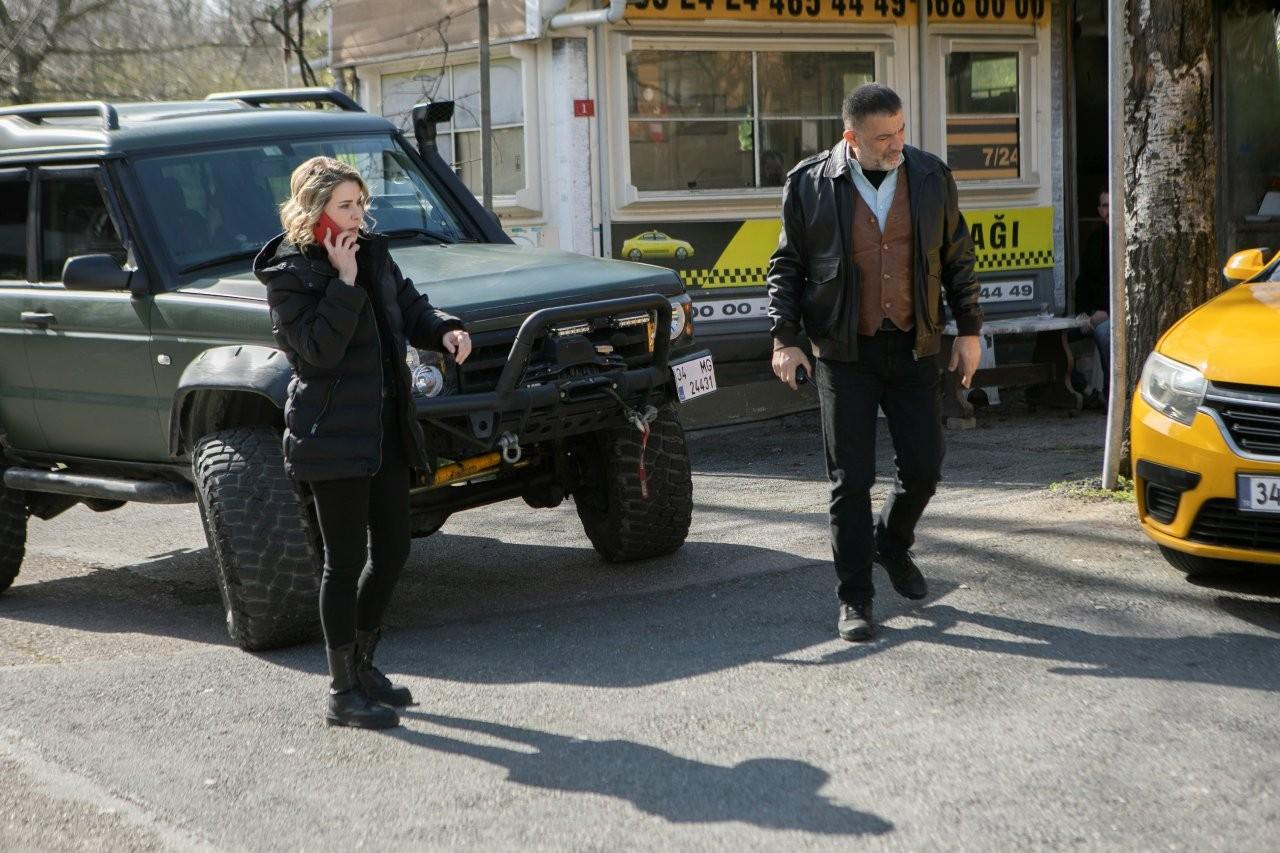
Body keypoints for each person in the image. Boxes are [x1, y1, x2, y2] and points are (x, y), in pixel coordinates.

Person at [253, 157, 472, 729]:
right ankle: (342, 691)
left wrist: (445, 328)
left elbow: (411, 306)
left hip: (385, 428)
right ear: (314, 210)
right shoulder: (289, 274)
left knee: (395, 551)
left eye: (360, 204)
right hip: (331, 435)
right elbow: (318, 352)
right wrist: (344, 282)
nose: (357, 216)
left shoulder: (372, 252)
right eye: (345, 206)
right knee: (344, 562)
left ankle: (365, 665)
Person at [767, 83, 983, 642]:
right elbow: (787, 265)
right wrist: (784, 339)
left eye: (901, 129)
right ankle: (855, 598)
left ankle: (891, 542)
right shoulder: (809, 182)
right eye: (883, 136)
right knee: (851, 480)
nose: (896, 143)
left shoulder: (931, 176)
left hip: (916, 346)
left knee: (925, 469)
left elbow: (957, 257)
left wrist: (969, 330)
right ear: (851, 138)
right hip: (845, 351)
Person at [1075, 190, 1111, 392]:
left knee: (1105, 334)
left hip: (1115, 315)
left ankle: (1110, 393)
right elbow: (1083, 280)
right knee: (1058, 338)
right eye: (1105, 206)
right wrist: (1083, 313)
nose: (1109, 210)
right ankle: (1082, 390)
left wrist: (1107, 312)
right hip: (1094, 313)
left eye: (1112, 204)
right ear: (1099, 210)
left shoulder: (1130, 239)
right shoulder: (1095, 240)